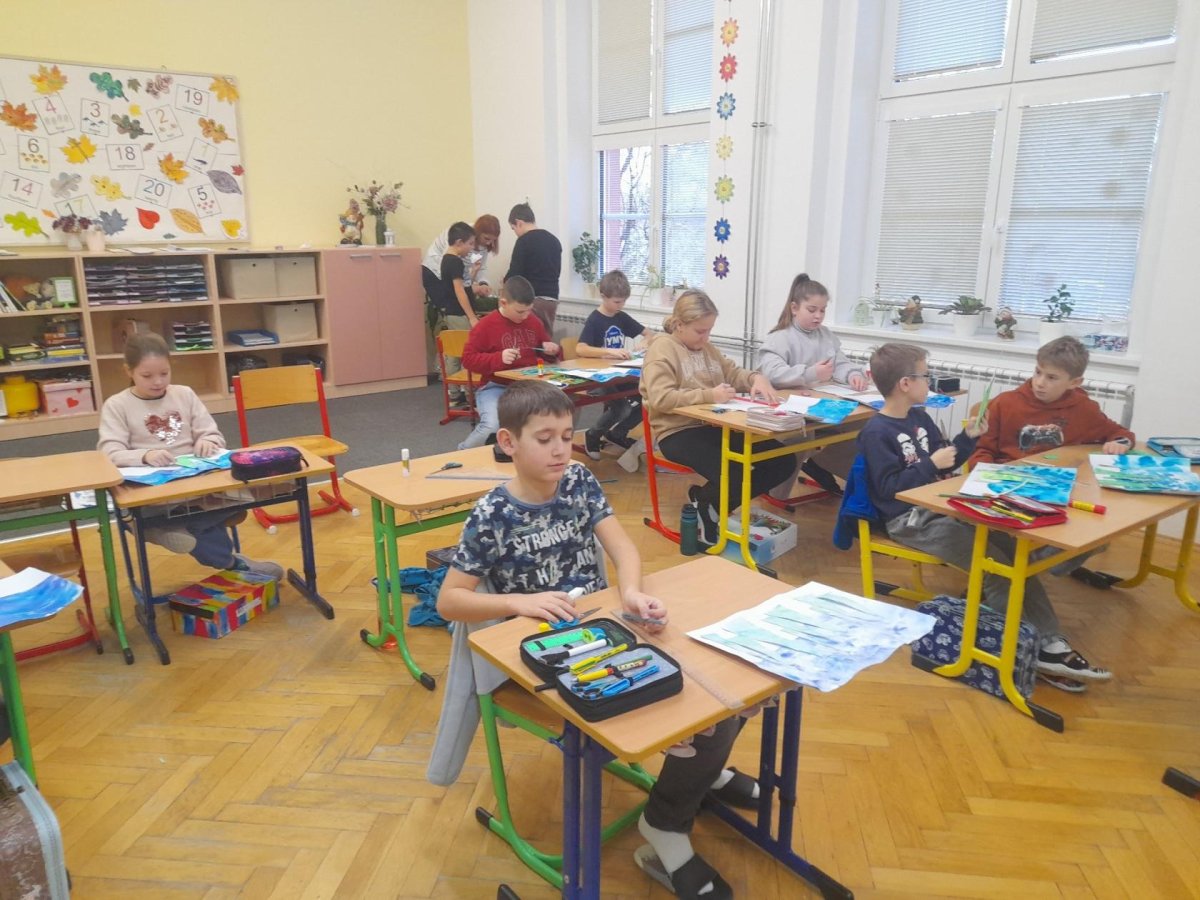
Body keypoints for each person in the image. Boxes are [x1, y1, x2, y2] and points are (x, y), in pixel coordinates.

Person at [436, 380, 745, 900]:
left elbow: (623, 548)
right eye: (545, 439)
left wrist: (631, 592)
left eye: (566, 435)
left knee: (725, 686)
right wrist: (519, 602)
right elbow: (450, 600)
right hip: (548, 655)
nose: (561, 449)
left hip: (606, 629)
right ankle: (676, 808)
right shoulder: (492, 514)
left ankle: (699, 769)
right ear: (508, 442)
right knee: (693, 706)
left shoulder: (578, 480)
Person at [858, 342, 1110, 692]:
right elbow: (888, 489)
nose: (931, 381)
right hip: (910, 520)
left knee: (1012, 557)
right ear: (905, 384)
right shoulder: (876, 432)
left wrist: (967, 438)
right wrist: (930, 465)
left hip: (942, 505)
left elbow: (947, 457)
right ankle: (1030, 646)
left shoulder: (919, 418)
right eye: (926, 375)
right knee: (994, 566)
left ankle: (1048, 641)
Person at [97, 333, 283, 582]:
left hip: (198, 487)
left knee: (247, 494)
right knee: (180, 513)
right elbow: (109, 453)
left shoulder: (184, 394)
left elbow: (212, 434)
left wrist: (207, 440)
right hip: (156, 495)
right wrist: (145, 455)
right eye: (147, 376)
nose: (158, 382)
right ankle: (232, 563)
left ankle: (162, 529)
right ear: (128, 371)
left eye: (164, 373)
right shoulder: (117, 405)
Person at [968, 335, 1136, 594]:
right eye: (1038, 372)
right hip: (1010, 490)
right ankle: (1017, 572)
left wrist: (1120, 442)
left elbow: (1119, 433)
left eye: (1052, 377)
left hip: (1057, 492)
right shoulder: (1005, 403)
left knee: (1102, 529)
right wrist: (986, 479)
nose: (1040, 382)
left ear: (1075, 382)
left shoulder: (1083, 408)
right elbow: (981, 451)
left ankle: (1032, 567)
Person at [641, 290, 793, 546]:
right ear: (679, 325)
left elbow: (732, 373)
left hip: (715, 426)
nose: (706, 337)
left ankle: (708, 501)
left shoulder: (707, 348)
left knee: (782, 460)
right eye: (700, 331)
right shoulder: (662, 349)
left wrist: (756, 378)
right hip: (677, 432)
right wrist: (709, 394)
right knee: (734, 471)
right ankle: (709, 506)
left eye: (709, 330)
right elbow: (660, 398)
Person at [757, 273, 869, 497]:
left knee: (865, 424)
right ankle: (775, 492)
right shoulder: (780, 337)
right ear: (794, 308)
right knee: (801, 436)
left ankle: (825, 464)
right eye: (812, 310)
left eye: (823, 310)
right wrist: (810, 373)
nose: (818, 316)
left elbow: (840, 363)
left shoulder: (825, 335)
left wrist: (852, 375)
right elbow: (772, 374)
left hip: (822, 403)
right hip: (790, 409)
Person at [457, 276, 559, 450]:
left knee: (552, 417)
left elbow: (545, 353)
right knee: (491, 426)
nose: (525, 316)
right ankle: (462, 454)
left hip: (529, 386)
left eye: (529, 310)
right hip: (495, 386)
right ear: (503, 303)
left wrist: (551, 350)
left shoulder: (533, 321)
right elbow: (468, 359)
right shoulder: (485, 326)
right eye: (520, 312)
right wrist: (498, 358)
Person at [577, 269, 654, 460]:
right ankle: (593, 434)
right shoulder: (595, 319)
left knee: (648, 399)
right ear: (603, 296)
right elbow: (581, 348)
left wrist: (644, 343)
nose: (621, 305)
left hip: (618, 374)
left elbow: (649, 334)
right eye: (617, 302)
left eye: (624, 301)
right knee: (622, 408)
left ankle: (618, 433)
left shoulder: (620, 316)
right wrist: (609, 351)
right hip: (598, 377)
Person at [429, 221, 478, 403]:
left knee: (456, 352)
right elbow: (459, 290)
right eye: (470, 244)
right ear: (459, 242)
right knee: (463, 352)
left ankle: (457, 392)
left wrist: (474, 271)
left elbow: (463, 284)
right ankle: (463, 392)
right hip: (459, 313)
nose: (472, 248)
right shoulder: (455, 261)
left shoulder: (447, 259)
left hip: (453, 312)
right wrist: (471, 317)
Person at [504, 203, 562, 334]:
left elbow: (515, 274)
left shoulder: (523, 241)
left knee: (528, 338)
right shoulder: (554, 240)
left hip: (532, 299)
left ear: (519, 223)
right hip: (552, 299)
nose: (515, 233)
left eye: (513, 228)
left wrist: (505, 281)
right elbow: (557, 271)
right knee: (545, 337)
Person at [422, 214, 501, 301]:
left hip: (455, 277)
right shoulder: (461, 233)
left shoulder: (484, 244)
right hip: (434, 271)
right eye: (487, 238)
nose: (489, 243)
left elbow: (480, 267)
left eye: (493, 240)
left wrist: (483, 284)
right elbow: (449, 268)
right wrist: (468, 288)